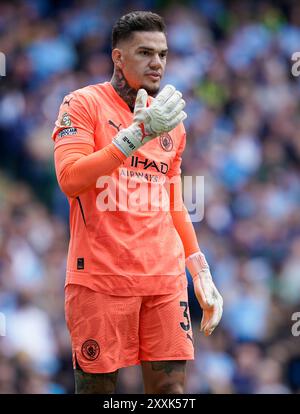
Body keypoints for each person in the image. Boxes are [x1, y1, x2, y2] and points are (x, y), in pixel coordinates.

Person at [52, 10, 223, 394]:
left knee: (172, 394)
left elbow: (173, 199)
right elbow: (71, 179)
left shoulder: (171, 121)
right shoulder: (81, 104)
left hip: (164, 279)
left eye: (163, 54)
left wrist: (199, 270)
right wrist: (134, 135)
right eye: (145, 52)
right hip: (100, 279)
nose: (157, 63)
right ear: (118, 57)